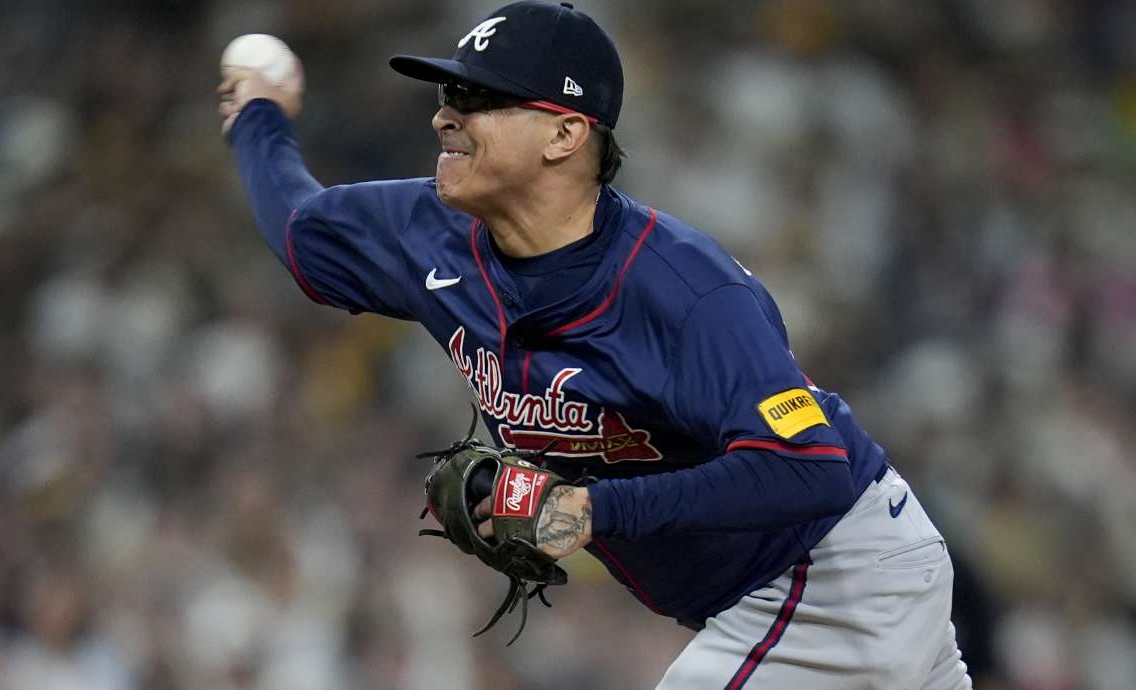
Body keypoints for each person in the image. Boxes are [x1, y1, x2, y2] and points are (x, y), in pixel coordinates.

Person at [217, 1, 973, 687]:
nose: (446, 117)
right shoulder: (429, 233)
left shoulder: (681, 289)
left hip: (833, 573)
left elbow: (811, 472)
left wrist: (593, 509)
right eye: (449, 95)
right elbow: (299, 230)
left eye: (479, 98)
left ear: (565, 133)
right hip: (777, 597)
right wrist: (257, 117)